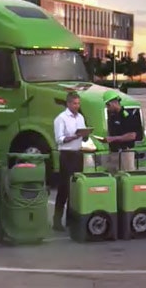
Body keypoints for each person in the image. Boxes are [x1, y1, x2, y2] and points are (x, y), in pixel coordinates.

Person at [51, 91, 90, 232]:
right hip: (66, 155)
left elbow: (82, 135)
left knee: (76, 188)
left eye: (78, 103)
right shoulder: (60, 119)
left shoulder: (80, 117)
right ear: (68, 104)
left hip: (78, 153)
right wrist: (75, 136)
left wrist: (85, 136)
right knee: (64, 188)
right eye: (74, 103)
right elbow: (59, 139)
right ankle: (56, 221)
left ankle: (71, 220)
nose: (77, 106)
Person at [100, 90, 143, 173]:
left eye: (108, 105)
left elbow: (132, 135)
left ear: (114, 102)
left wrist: (113, 139)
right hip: (113, 152)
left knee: (126, 175)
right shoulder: (112, 116)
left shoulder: (127, 116)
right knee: (112, 175)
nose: (107, 107)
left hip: (125, 152)